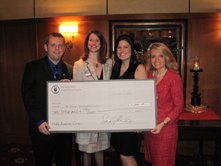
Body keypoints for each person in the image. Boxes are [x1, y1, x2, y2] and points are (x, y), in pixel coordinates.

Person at [21, 32, 73, 166]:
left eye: (60, 45)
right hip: (42, 128)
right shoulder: (32, 67)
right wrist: (38, 121)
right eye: (53, 45)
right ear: (46, 47)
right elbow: (27, 96)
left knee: (65, 162)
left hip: (64, 130)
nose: (57, 48)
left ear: (64, 48)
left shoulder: (70, 69)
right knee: (43, 162)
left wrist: (71, 89)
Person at [73, 30, 112, 166]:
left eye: (97, 40)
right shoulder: (79, 64)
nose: (94, 43)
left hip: (103, 114)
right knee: (87, 151)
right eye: (91, 40)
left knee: (100, 149)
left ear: (101, 44)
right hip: (86, 114)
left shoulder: (108, 63)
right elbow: (76, 90)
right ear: (86, 43)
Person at [144, 42, 184, 166]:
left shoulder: (173, 77)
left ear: (166, 57)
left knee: (163, 162)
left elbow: (179, 106)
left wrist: (163, 123)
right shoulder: (150, 75)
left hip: (166, 129)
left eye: (160, 56)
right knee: (153, 161)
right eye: (153, 56)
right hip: (151, 129)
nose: (156, 60)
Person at [110, 34, 147, 166]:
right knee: (122, 154)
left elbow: (143, 98)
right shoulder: (115, 68)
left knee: (126, 155)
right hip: (117, 120)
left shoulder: (139, 68)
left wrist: (139, 122)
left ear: (132, 49)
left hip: (131, 122)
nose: (122, 50)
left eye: (126, 46)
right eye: (119, 47)